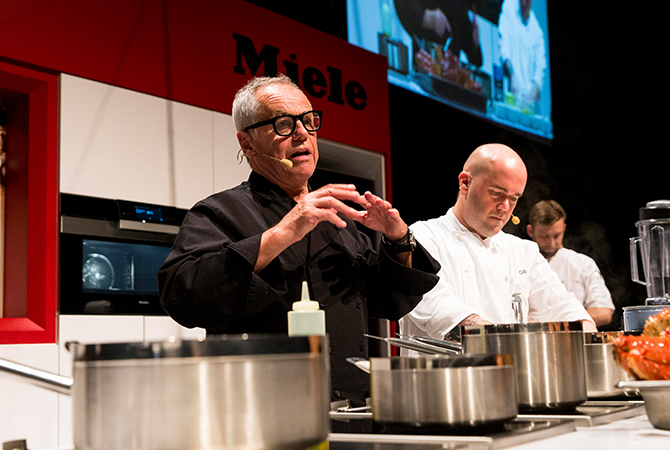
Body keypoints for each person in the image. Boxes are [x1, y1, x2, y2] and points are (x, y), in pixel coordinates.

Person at [157, 74, 440, 406]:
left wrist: (398, 240)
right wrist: (283, 233)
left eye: (308, 121)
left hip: (352, 408)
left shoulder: (338, 217)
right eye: (283, 124)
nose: (303, 133)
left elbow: (388, 302)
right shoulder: (218, 212)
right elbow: (182, 295)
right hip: (263, 409)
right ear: (246, 143)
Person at [398, 144, 597, 348]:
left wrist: (588, 333)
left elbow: (562, 305)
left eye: (513, 198)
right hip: (442, 378)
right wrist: (510, 343)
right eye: (496, 193)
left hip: (509, 375)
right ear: (465, 182)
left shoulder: (523, 251)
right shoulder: (423, 237)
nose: (505, 208)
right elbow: (436, 307)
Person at [526, 200, 615, 327]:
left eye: (556, 235)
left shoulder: (583, 264)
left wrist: (559, 324)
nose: (551, 243)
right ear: (530, 231)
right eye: (544, 236)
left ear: (564, 228)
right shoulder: (521, 262)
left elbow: (603, 311)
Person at [498, 0, 547, 113]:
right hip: (512, 96)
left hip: (530, 105)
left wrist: (534, 89)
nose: (524, 3)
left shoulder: (537, 32)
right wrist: (513, 74)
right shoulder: (508, 7)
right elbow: (504, 45)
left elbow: (540, 67)